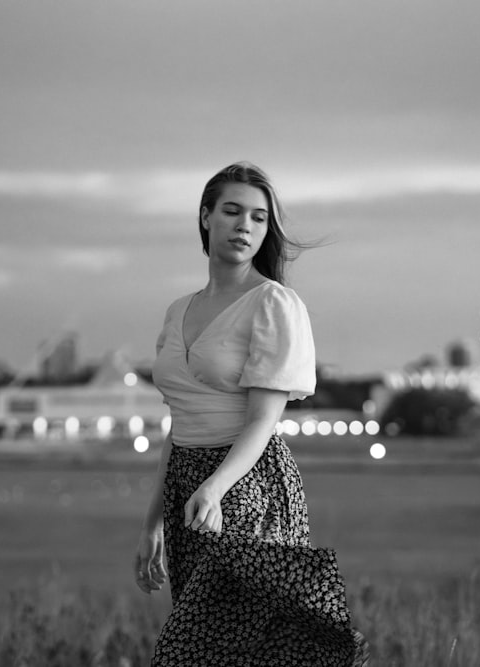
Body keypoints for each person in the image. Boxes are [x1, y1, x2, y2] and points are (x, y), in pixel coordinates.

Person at [135, 162, 369, 666]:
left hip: (247, 486)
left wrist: (216, 488)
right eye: (232, 211)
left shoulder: (274, 304)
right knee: (220, 649)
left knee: (205, 649)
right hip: (186, 486)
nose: (245, 226)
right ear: (205, 217)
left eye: (259, 218)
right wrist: (152, 522)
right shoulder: (178, 310)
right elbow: (178, 426)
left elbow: (264, 419)